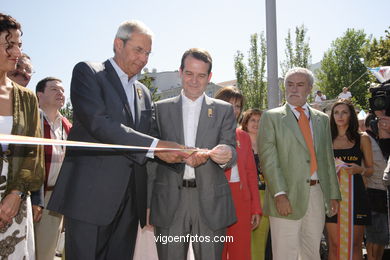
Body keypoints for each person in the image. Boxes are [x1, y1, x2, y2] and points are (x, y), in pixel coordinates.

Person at [47, 20, 186, 259]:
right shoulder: (89, 73)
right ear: (118, 44)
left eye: (148, 53)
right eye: (138, 50)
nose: (144, 59)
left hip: (130, 203)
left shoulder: (143, 92)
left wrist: (187, 153)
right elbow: (99, 123)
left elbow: (152, 136)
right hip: (90, 199)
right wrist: (157, 147)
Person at [150, 48, 237, 260]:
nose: (194, 81)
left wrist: (227, 154)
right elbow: (150, 159)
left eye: (201, 75)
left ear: (210, 77)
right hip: (170, 202)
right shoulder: (159, 110)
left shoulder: (224, 110)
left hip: (210, 202)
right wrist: (147, 204)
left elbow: (231, 149)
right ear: (180, 72)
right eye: (189, 73)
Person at [258, 67, 341, 260]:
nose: (294, 89)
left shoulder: (322, 119)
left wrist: (333, 194)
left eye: (300, 84)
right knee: (285, 254)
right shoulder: (271, 117)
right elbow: (268, 160)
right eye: (290, 84)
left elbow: (327, 159)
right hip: (286, 195)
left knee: (312, 253)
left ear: (310, 88)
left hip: (317, 195)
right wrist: (279, 194)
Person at [0, 13, 44, 259]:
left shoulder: (26, 98)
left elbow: (33, 152)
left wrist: (16, 195)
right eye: (9, 44)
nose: (16, 52)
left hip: (14, 203)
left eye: (19, 45)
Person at [214, 86, 261, 260]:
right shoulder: (207, 134)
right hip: (215, 201)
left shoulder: (243, 136)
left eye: (238, 106)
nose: (233, 110)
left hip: (241, 200)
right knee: (216, 252)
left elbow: (251, 174)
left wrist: (256, 208)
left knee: (240, 253)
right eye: (229, 104)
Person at [326, 99, 373, 260]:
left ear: (351, 115)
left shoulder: (363, 138)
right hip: (332, 197)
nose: (340, 116)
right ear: (332, 116)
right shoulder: (326, 139)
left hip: (357, 196)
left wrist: (360, 170)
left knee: (355, 244)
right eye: (336, 112)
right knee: (334, 244)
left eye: (344, 112)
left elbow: (370, 170)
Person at [30, 77, 71, 260]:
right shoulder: (31, 121)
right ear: (40, 94)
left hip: (57, 196)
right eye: (54, 89)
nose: (60, 93)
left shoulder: (67, 125)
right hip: (31, 195)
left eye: (62, 90)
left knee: (46, 251)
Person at [241, 108, 272, 260]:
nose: (256, 123)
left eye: (260, 121)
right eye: (252, 120)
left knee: (260, 241)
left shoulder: (269, 144)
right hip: (244, 197)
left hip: (265, 196)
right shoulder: (237, 143)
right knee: (242, 242)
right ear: (245, 123)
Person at [363, 113, 389, 260]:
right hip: (373, 193)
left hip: (383, 192)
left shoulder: (383, 139)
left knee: (382, 238)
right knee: (375, 237)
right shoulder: (366, 139)